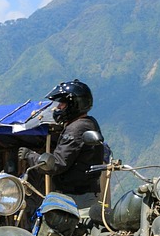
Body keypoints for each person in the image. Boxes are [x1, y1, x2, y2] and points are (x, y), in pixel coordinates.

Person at [18, 78, 106, 210]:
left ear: (74, 104)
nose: (58, 108)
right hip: (84, 194)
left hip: (76, 197)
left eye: (62, 104)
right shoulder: (89, 123)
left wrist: (30, 156)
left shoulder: (76, 128)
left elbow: (57, 164)